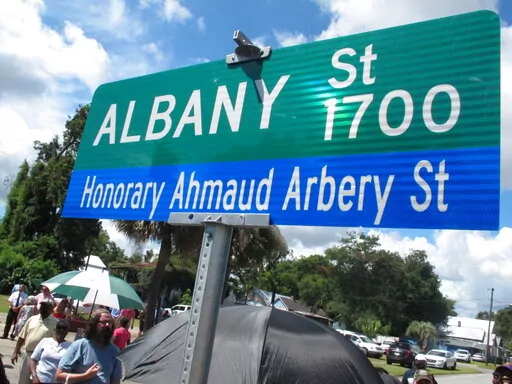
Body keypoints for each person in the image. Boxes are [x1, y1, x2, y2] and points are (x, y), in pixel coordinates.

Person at [56, 309, 122, 384]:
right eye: (104, 322)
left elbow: (115, 381)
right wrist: (85, 376)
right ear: (94, 324)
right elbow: (59, 376)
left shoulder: (115, 351)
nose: (107, 325)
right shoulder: (79, 346)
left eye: (110, 323)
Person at [11, 302, 58, 384]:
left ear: (51, 309)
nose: (42, 308)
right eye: (41, 306)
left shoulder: (56, 323)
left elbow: (56, 343)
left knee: (37, 381)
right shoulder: (32, 319)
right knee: (23, 381)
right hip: (28, 355)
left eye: (45, 307)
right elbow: (22, 336)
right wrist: (15, 351)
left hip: (42, 358)